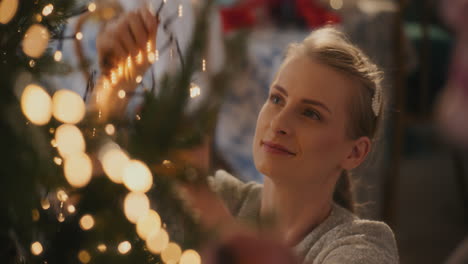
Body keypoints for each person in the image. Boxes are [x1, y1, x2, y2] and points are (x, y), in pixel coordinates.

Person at [96, 5, 399, 264]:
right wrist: (112, 90)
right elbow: (95, 210)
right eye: (277, 99)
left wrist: (201, 201)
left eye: (311, 113)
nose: (278, 122)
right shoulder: (227, 198)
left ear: (354, 152)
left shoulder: (364, 246)